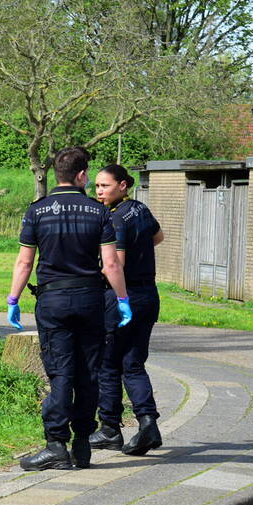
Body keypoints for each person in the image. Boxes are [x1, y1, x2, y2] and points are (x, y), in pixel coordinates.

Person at [6, 147, 131, 471]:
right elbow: (111, 265)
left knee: (61, 372)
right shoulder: (99, 212)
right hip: (90, 301)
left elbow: (24, 261)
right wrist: (122, 300)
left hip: (53, 302)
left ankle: (55, 446)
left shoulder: (37, 211)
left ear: (57, 175)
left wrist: (13, 299)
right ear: (80, 175)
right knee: (88, 373)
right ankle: (82, 447)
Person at [90, 164, 164, 456]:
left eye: (104, 186)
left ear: (123, 185)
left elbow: (115, 266)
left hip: (124, 296)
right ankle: (149, 425)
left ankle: (109, 429)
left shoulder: (115, 220)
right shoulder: (140, 209)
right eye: (96, 186)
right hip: (148, 294)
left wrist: (119, 298)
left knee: (108, 364)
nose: (98, 191)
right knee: (132, 363)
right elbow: (158, 237)